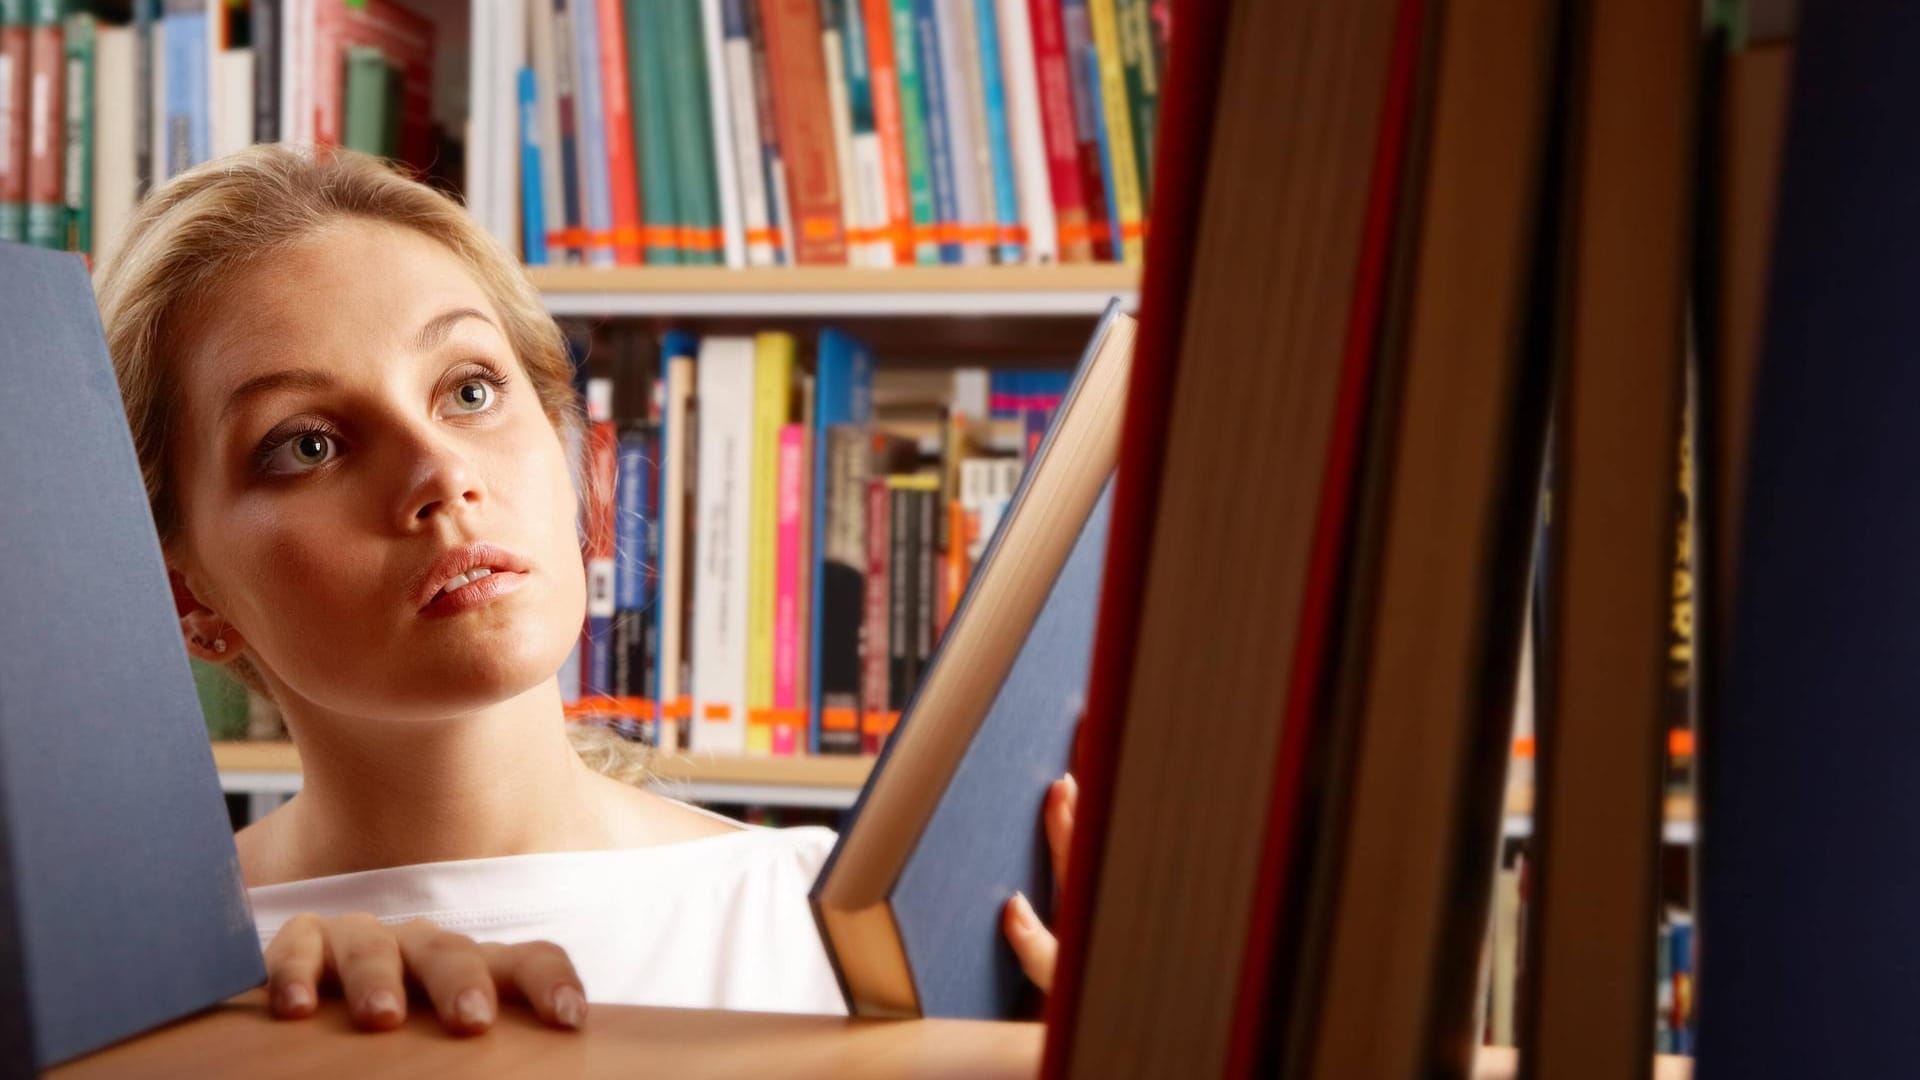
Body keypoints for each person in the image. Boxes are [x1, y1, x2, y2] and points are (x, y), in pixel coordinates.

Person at [94, 143, 1077, 1036]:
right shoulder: (127, 992)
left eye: (470, 390)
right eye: (308, 445)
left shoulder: (850, 936)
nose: (440, 473)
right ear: (186, 596)